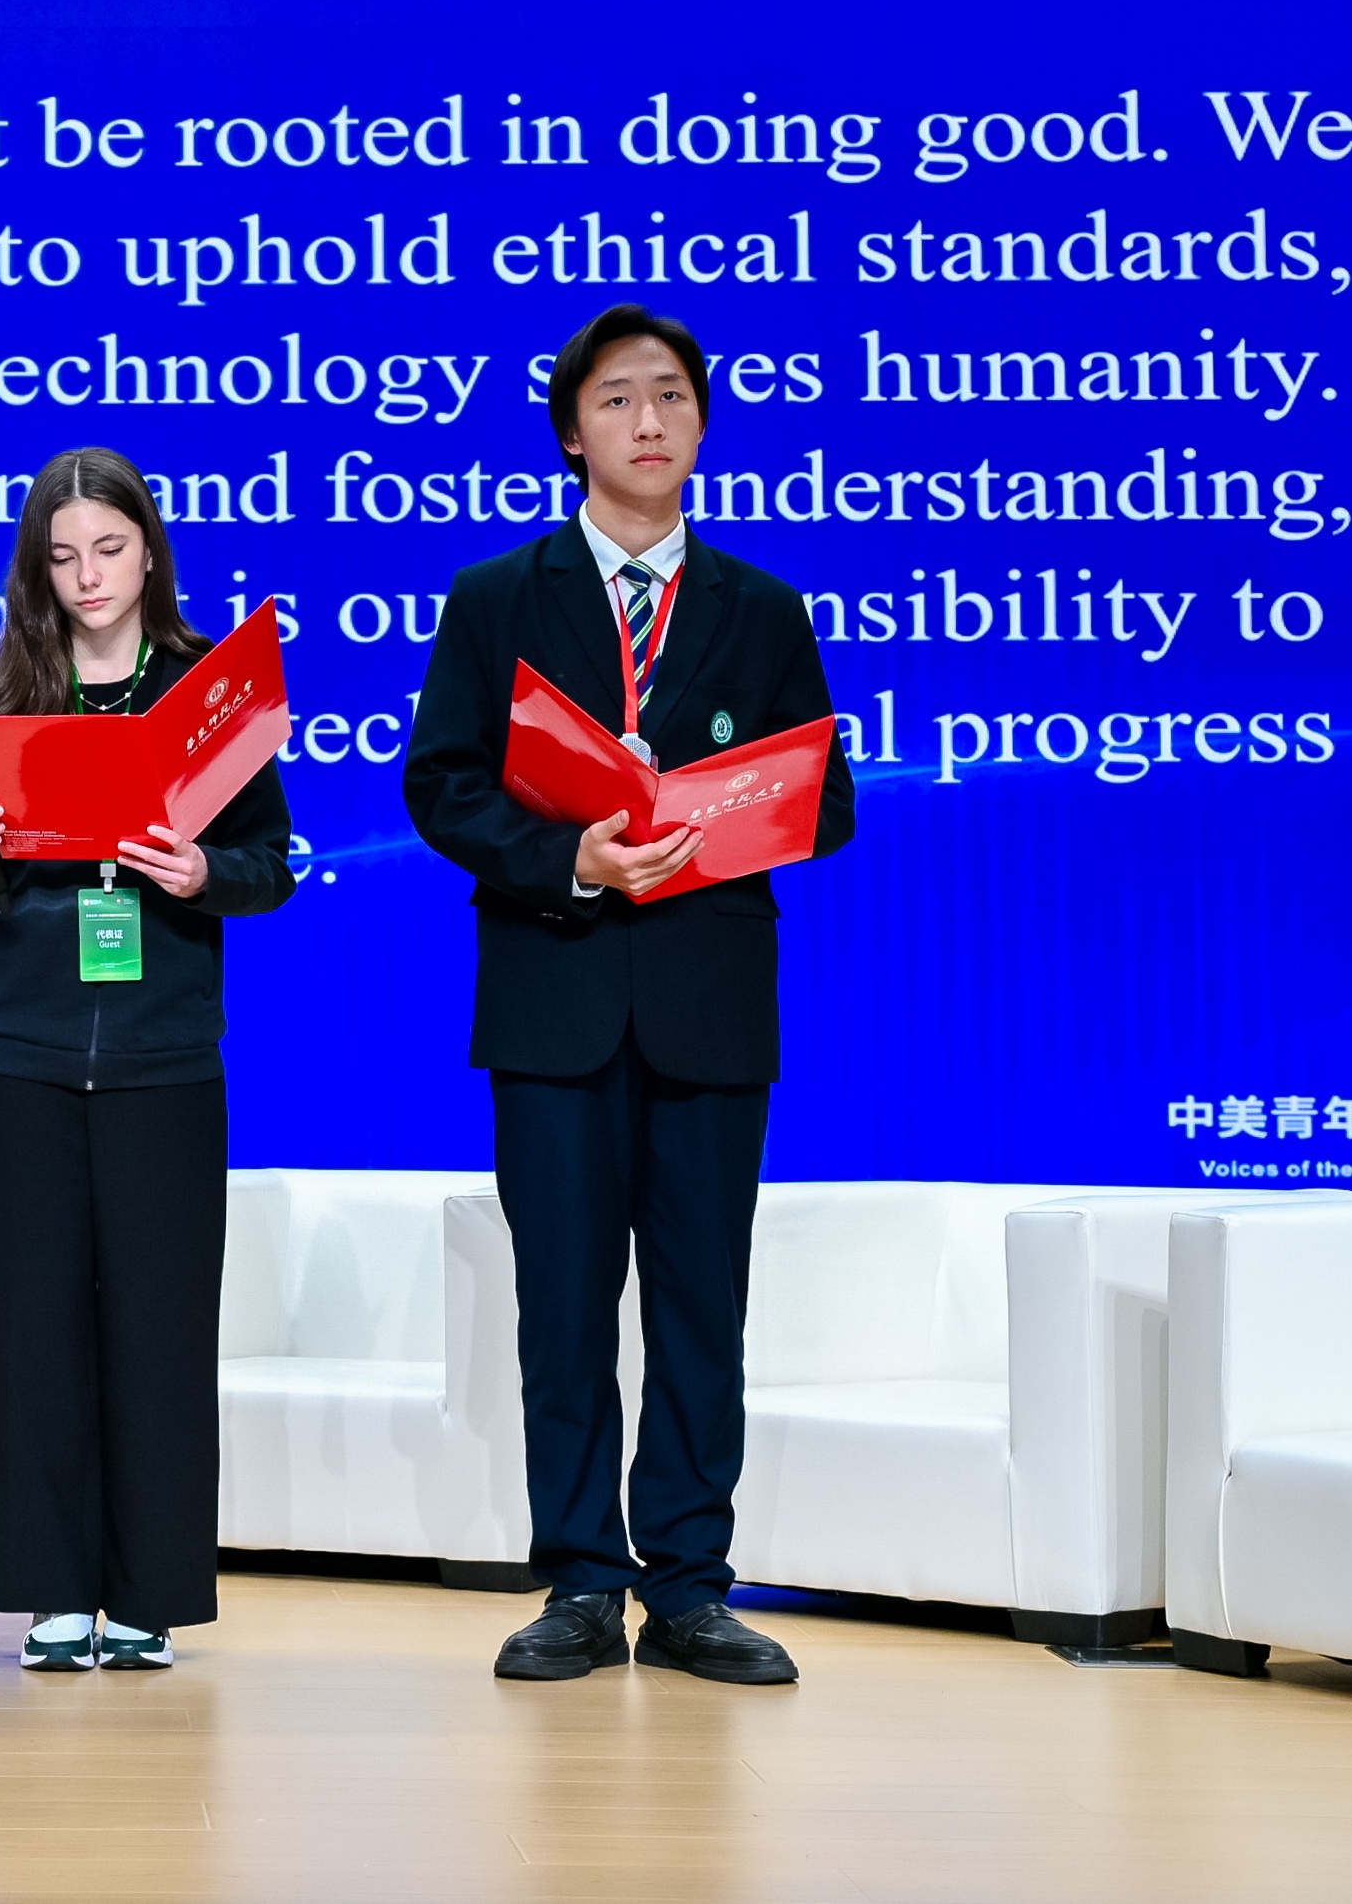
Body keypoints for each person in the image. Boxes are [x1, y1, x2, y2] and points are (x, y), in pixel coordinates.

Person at [400, 303, 856, 1686]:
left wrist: (709, 818)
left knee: (701, 1309)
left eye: (669, 396)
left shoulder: (759, 609)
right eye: (615, 399)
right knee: (563, 1308)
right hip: (555, 996)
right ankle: (582, 1582)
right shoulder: (499, 596)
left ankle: (692, 1587)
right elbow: (441, 785)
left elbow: (825, 800)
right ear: (569, 433)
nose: (646, 421)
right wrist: (573, 857)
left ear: (700, 424)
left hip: (709, 1001)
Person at [0, 448, 297, 1672]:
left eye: (109, 548)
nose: (87, 575)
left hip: (164, 1054)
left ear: (148, 552)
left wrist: (201, 872)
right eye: (62, 554)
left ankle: (145, 1595)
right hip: (20, 1051)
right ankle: (45, 1588)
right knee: (24, 1327)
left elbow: (270, 866)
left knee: (157, 1326)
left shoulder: (206, 696)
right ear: (36, 568)